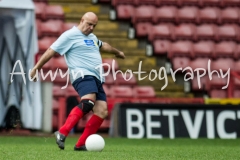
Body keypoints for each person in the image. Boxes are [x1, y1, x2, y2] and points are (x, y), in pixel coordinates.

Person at [30, 12, 125, 151]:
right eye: (89, 24)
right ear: (82, 20)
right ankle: (62, 132)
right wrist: (36, 68)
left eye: (94, 26)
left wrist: (117, 52)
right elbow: (51, 50)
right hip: (82, 74)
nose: (91, 28)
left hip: (97, 77)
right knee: (88, 101)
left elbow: (103, 45)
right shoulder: (70, 35)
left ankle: (80, 144)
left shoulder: (92, 37)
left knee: (102, 111)